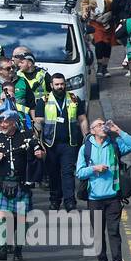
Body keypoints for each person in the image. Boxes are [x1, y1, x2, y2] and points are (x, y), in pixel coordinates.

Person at [0, 111, 41, 261]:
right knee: (0, 215)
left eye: (5, 122)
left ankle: (18, 250)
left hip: (20, 183)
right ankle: (2, 248)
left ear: (13, 122)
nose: (2, 125)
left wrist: (39, 152)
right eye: (0, 122)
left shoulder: (25, 137)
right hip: (1, 183)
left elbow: (39, 154)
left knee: (21, 219)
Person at [76, 118, 131, 261]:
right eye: (99, 125)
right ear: (92, 131)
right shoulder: (85, 148)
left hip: (113, 196)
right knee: (97, 232)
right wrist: (94, 168)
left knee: (114, 231)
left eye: (104, 124)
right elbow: (79, 172)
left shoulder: (114, 144)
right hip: (94, 198)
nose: (103, 127)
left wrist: (118, 130)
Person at [37, 73, 88, 211]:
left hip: (69, 143)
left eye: (62, 84)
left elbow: (82, 119)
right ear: (51, 85)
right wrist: (37, 142)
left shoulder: (74, 99)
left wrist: (87, 137)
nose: (60, 87)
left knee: (68, 173)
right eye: (57, 84)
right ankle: (55, 200)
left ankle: (70, 201)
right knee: (53, 174)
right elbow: (38, 121)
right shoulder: (44, 100)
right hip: (50, 144)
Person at [80, 0, 116, 78]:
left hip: (106, 20)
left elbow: (111, 2)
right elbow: (84, 2)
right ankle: (100, 66)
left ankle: (105, 66)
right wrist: (85, 11)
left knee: (107, 44)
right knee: (99, 43)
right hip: (95, 21)